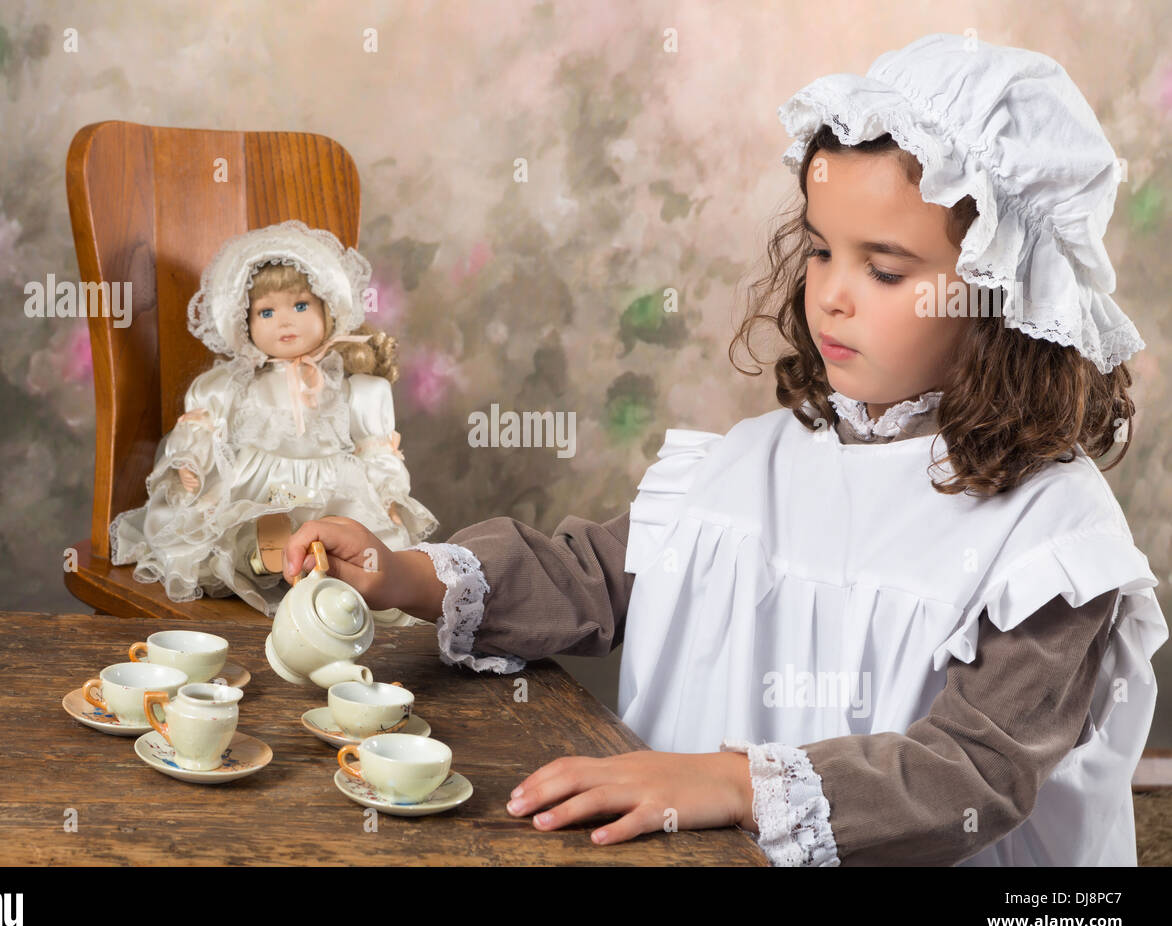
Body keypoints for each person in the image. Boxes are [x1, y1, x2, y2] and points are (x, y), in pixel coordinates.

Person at [280, 33, 1167, 865]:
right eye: (822, 252)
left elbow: (976, 768)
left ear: (1005, 298)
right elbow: (592, 576)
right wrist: (405, 577)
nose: (832, 297)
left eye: (886, 270)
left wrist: (735, 781)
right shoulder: (752, 463)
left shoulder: (1053, 540)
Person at [109, 221, 437, 618]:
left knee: (351, 530)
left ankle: (323, 566)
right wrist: (189, 462)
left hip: (330, 487)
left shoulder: (355, 389)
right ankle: (263, 557)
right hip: (258, 485)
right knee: (235, 524)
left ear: (327, 309)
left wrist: (389, 494)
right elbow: (200, 428)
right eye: (266, 312)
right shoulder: (227, 386)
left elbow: (374, 450)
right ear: (244, 324)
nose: (284, 322)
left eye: (300, 306)